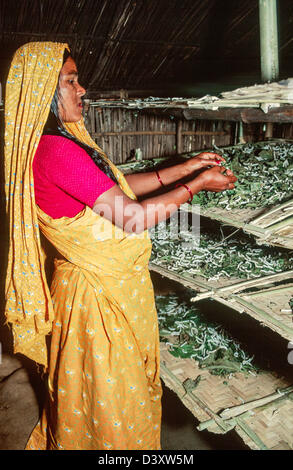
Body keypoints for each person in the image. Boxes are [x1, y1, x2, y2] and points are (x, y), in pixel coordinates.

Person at [4, 42, 237, 451]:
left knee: (104, 395)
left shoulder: (62, 144)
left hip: (101, 289)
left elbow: (121, 192)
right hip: (95, 302)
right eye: (71, 81)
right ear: (43, 90)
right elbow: (131, 216)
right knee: (113, 405)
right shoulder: (56, 151)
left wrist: (187, 167)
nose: (82, 90)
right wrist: (196, 185)